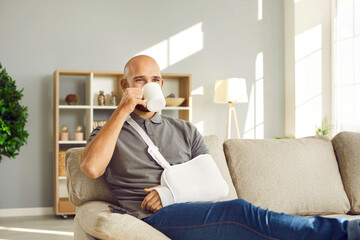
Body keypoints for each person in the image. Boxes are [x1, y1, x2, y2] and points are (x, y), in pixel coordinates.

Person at [79, 55, 360, 240]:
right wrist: (122, 109)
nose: (147, 86)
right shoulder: (110, 131)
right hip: (154, 217)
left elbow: (215, 184)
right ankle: (346, 232)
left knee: (247, 219)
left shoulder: (185, 129)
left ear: (162, 85)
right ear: (125, 85)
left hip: (196, 209)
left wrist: (169, 192)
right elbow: (91, 168)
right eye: (139, 80)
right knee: (239, 212)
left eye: (154, 80)